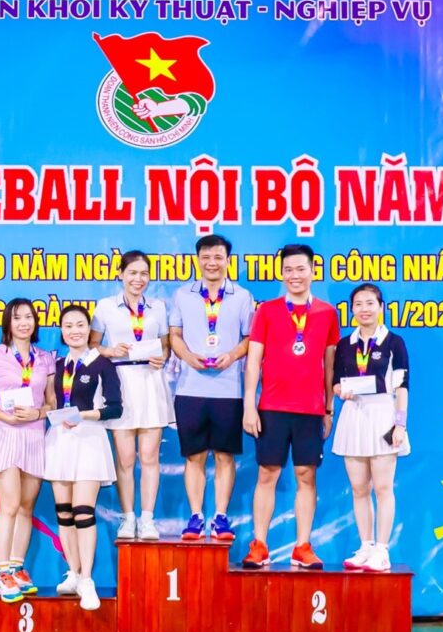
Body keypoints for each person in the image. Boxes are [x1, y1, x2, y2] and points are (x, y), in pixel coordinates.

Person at [242, 244, 339, 570]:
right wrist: (249, 405)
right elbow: (253, 361)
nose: (294, 275)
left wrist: (328, 409)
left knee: (305, 475)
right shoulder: (267, 311)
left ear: (313, 271)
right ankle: (260, 545)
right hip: (271, 406)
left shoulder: (327, 313)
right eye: (288, 270)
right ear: (281, 274)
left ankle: (302, 546)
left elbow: (329, 364)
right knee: (267, 473)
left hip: (310, 410)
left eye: (300, 269)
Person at [169, 234, 253, 542]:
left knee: (224, 456)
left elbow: (250, 338)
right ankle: (195, 516)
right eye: (206, 257)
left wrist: (232, 355)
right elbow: (174, 334)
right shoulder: (183, 295)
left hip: (228, 390)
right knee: (194, 456)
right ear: (198, 260)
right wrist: (188, 357)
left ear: (228, 260)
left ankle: (220, 517)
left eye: (218, 257)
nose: (212, 263)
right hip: (189, 388)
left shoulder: (242, 296)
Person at [0, 298, 55, 603]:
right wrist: (6, 417)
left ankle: (18, 568)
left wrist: (37, 413)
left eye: (29, 317)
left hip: (34, 437)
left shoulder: (45, 358)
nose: (24, 323)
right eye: (18, 317)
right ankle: (2, 573)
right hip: (4, 435)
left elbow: (52, 401)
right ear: (8, 322)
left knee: (25, 507)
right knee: (8, 505)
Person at [90, 250, 173, 540]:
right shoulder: (105, 307)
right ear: (121, 274)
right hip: (120, 383)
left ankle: (147, 519)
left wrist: (163, 357)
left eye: (144, 274)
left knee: (149, 456)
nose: (139, 279)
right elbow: (92, 345)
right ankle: (128, 518)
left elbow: (166, 346)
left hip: (150, 382)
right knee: (125, 459)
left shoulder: (158, 307)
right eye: (133, 273)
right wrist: (110, 351)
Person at [45, 305, 122, 611]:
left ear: (89, 329)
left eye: (80, 325)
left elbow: (116, 408)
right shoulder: (58, 364)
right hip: (60, 441)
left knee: (82, 511)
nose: (74, 331)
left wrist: (83, 415)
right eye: (68, 326)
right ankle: (74, 572)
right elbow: (53, 402)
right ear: (61, 331)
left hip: (89, 440)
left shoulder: (102, 364)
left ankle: (88, 579)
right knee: (63, 512)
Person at [332, 284, 410, 573]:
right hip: (353, 416)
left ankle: (382, 550)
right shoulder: (344, 344)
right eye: (358, 304)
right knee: (358, 488)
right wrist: (340, 391)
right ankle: (365, 546)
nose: (364, 309)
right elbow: (336, 382)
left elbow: (402, 387)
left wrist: (400, 424)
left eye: (370, 303)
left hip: (383, 416)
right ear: (351, 309)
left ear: (381, 307)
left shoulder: (394, 342)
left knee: (383, 487)